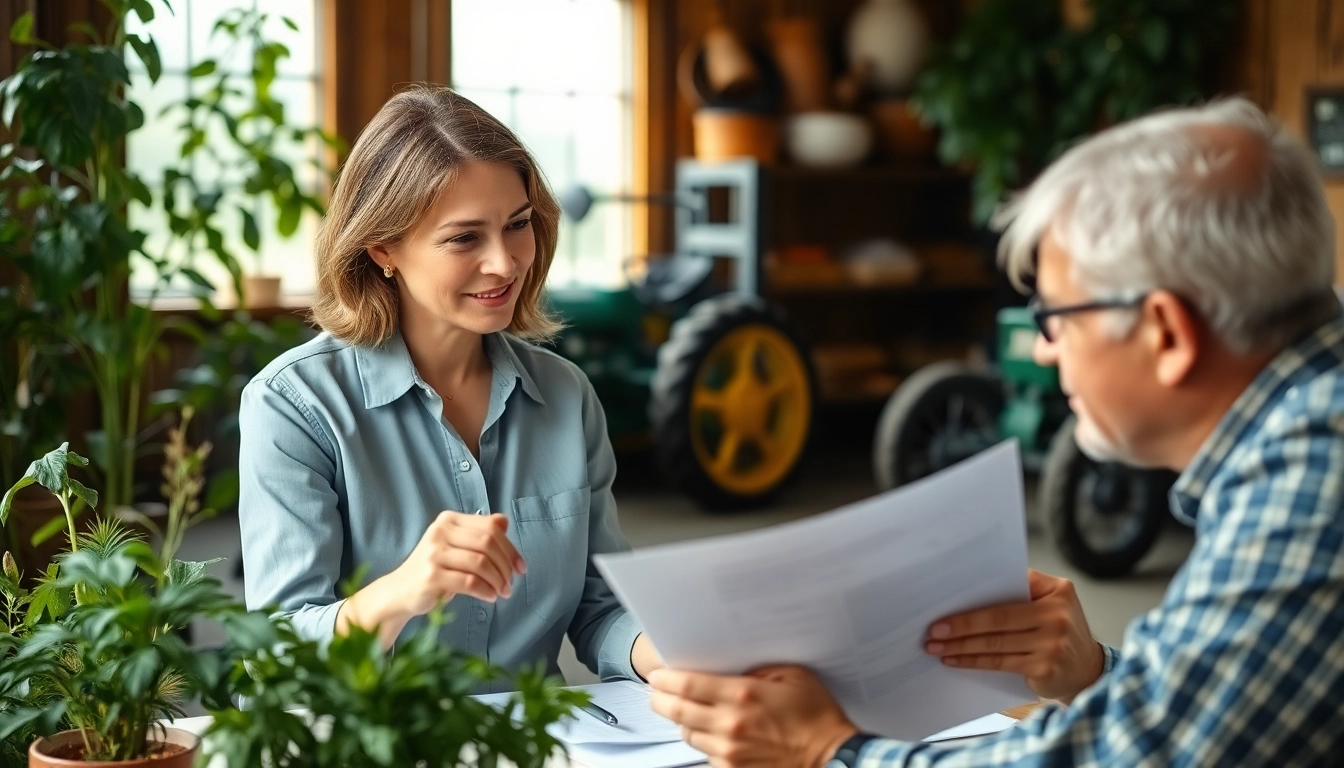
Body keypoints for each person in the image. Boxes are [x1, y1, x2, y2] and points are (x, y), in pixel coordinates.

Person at [648, 97, 1344, 766]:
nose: (1044, 349)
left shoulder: (1316, 476)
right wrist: (1097, 673)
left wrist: (822, 750)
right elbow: (1231, 728)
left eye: (1055, 318)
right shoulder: (1306, 427)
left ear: (1165, 332)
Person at [238, 86, 660, 690]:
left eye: (517, 225)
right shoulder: (293, 407)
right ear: (383, 247)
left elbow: (601, 609)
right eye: (464, 238)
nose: (505, 263)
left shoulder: (566, 396)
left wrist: (669, 655)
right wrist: (403, 591)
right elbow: (279, 657)